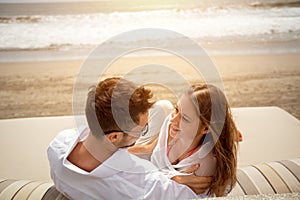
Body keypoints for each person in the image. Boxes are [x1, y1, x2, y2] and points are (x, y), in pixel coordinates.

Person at [47, 77, 211, 200]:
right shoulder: (141, 184)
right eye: (142, 129)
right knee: (165, 108)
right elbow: (192, 195)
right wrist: (172, 177)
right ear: (114, 137)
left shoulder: (58, 145)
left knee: (163, 108)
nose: (144, 132)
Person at [130, 83, 238, 197]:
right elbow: (150, 148)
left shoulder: (203, 163)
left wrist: (172, 182)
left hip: (151, 185)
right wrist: (174, 179)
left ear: (205, 128)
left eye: (185, 118)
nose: (173, 120)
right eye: (177, 109)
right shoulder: (171, 122)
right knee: (163, 105)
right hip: (151, 172)